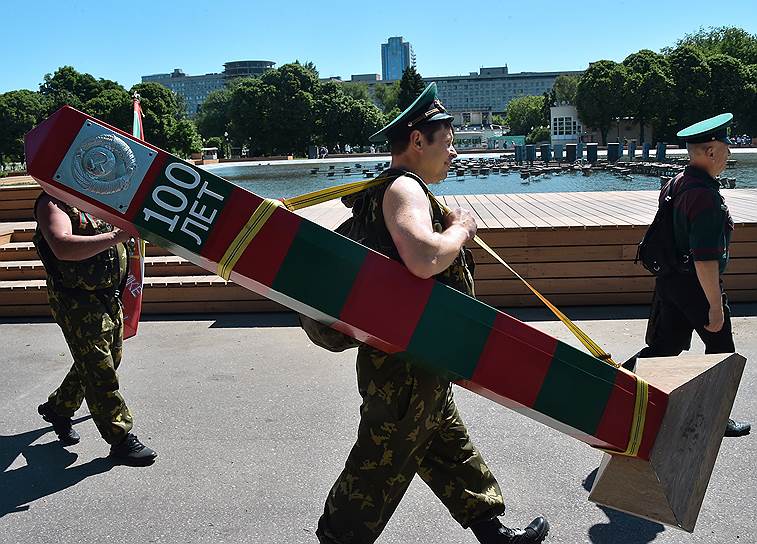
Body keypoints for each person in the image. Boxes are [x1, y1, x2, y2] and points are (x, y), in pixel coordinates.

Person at [316, 83, 549, 544]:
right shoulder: (404, 188)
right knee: (380, 460)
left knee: (444, 440)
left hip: (417, 353)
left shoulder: (391, 187)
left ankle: (491, 529)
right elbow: (423, 259)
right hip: (404, 360)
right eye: (448, 141)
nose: (455, 151)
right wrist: (460, 229)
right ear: (418, 141)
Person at [626, 113, 750, 438]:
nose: (729, 155)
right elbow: (705, 259)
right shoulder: (705, 197)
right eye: (725, 149)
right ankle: (716, 418)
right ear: (710, 152)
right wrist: (715, 305)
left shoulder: (677, 182)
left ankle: (615, 387)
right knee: (721, 350)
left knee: (665, 346)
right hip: (696, 284)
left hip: (670, 280)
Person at [33, 192, 158, 464]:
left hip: (108, 295)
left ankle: (58, 408)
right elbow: (63, 246)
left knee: (106, 360)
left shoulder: (98, 199)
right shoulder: (52, 203)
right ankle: (121, 439)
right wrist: (118, 236)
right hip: (77, 301)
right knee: (99, 370)